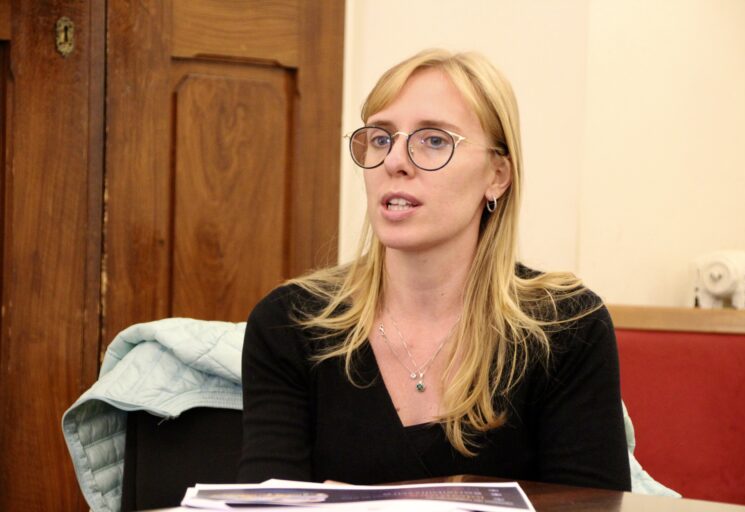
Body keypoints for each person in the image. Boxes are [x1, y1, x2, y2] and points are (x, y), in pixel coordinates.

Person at [238, 49, 631, 491]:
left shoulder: (567, 327)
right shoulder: (290, 322)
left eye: (434, 140)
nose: (394, 161)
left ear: (497, 175)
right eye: (381, 138)